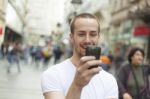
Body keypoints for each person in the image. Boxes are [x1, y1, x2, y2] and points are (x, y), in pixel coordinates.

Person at [41, 13, 118, 99]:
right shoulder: (52, 74)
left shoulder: (109, 80)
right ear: (71, 37)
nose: (87, 40)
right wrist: (77, 85)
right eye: (81, 34)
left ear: (98, 37)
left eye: (93, 34)